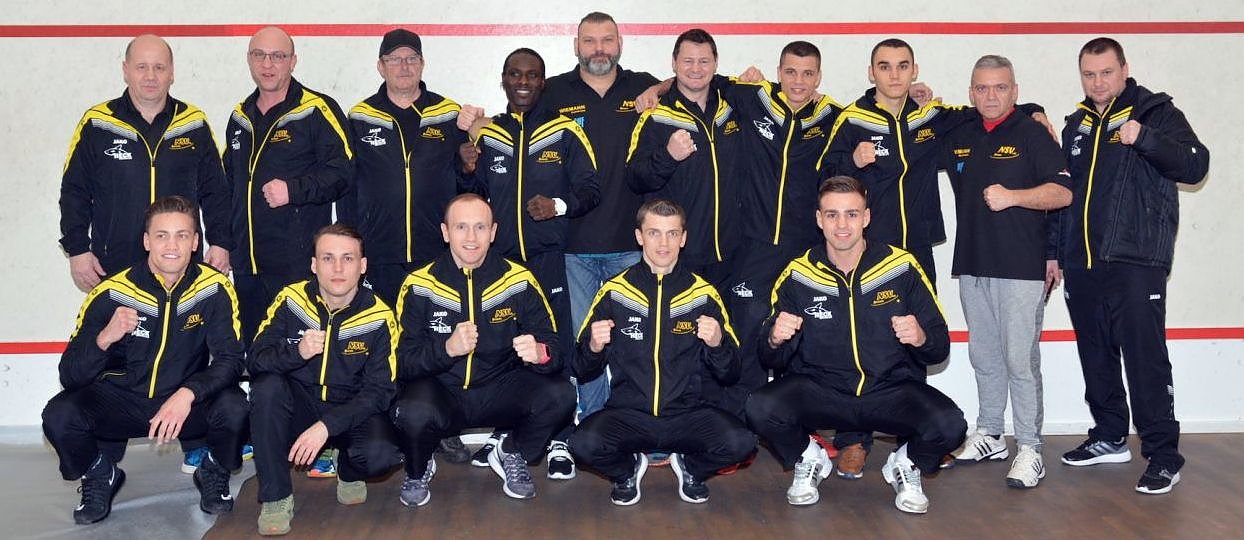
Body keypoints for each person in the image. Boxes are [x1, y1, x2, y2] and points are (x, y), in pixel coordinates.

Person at [818, 38, 1046, 478]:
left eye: (902, 66)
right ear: (871, 73)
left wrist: (1033, 110)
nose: (894, 74)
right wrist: (851, 160)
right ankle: (853, 440)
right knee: (857, 344)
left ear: (914, 70)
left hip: (916, 250)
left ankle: (917, 438)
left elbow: (987, 111)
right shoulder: (852, 120)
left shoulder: (932, 117)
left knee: (916, 340)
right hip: (867, 252)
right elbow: (823, 176)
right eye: (885, 66)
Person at [745, 176, 965, 514]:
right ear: (819, 220)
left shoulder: (901, 267)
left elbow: (939, 348)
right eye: (832, 215)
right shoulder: (798, 274)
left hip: (889, 389)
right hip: (822, 390)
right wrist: (775, 338)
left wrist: (921, 337)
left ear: (866, 217)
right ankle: (808, 457)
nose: (842, 225)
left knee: (951, 426)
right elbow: (769, 357)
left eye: (851, 214)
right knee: (759, 408)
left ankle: (907, 464)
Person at [1053, 37, 1208, 495]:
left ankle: (1163, 456)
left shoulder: (1156, 112)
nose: (1098, 82)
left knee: (1145, 361)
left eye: (1106, 72)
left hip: (1137, 261)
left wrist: (1146, 138)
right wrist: (1055, 253)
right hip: (1082, 262)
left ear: (1124, 70)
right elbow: (1065, 195)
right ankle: (1109, 436)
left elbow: (1195, 165)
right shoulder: (1077, 125)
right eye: (1089, 74)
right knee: (1096, 356)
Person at [42, 196, 249, 524]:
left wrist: (188, 394)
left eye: (182, 235)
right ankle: (100, 473)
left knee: (236, 408)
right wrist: (105, 337)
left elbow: (231, 360)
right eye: (162, 235)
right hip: (124, 402)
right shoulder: (111, 292)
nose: (172, 246)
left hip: (184, 405)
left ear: (195, 242)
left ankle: (212, 469)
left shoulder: (214, 288)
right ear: (146, 241)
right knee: (59, 414)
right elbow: (70, 374)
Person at [457, 48, 600, 478]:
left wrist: (558, 205)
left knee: (554, 348)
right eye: (515, 74)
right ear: (503, 79)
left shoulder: (564, 132)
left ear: (543, 82)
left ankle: (560, 438)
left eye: (532, 75)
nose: (523, 82)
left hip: (548, 260)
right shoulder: (491, 135)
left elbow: (590, 190)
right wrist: (466, 170)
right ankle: (507, 432)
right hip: (501, 265)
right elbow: (473, 196)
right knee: (503, 349)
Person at [938, 55, 1072, 489]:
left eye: (1000, 87)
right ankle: (991, 433)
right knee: (985, 356)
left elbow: (1063, 192)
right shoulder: (961, 133)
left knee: (1020, 360)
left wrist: (1014, 196)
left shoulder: (1032, 133)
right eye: (982, 88)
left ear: (1014, 91)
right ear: (971, 92)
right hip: (973, 264)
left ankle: (1030, 447)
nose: (991, 96)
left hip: (1020, 267)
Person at [390, 194, 576, 504]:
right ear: (445, 232)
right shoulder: (419, 284)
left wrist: (540, 353)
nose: (471, 237)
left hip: (498, 389)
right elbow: (400, 362)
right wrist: (446, 350)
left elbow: (555, 348)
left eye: (480, 227)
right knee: (410, 411)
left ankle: (511, 451)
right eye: (461, 227)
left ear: (493, 232)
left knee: (562, 395)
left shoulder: (519, 279)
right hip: (442, 391)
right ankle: (419, 465)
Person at [569, 199, 755, 505]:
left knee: (742, 442)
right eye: (654, 233)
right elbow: (580, 367)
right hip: (629, 414)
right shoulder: (615, 291)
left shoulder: (703, 294)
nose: (663, 243)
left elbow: (731, 373)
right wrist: (593, 347)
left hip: (687, 415)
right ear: (639, 237)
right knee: (582, 444)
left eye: (672, 233)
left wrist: (717, 344)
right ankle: (627, 471)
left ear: (683, 238)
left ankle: (690, 468)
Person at [343, 28, 473, 464]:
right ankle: (390, 428)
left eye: (411, 58)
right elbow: (348, 187)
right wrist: (354, 244)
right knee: (385, 346)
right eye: (395, 59)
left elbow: (470, 180)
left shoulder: (448, 115)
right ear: (380, 66)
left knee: (441, 342)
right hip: (380, 255)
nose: (404, 66)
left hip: (436, 256)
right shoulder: (360, 117)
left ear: (422, 64)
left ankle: (445, 427)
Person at [542, 10, 661, 461]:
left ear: (619, 44)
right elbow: (516, 123)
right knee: (585, 343)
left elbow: (690, 82)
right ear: (576, 46)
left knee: (636, 344)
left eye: (607, 40)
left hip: (631, 247)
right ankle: (593, 428)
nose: (598, 49)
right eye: (589, 40)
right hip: (574, 248)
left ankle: (636, 425)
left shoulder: (641, 86)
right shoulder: (554, 92)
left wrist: (662, 87)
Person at [248, 224, 400, 536]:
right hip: (299, 406)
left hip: (349, 412)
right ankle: (276, 498)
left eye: (348, 258)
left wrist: (327, 427)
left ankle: (347, 468)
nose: (338, 268)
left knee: (380, 456)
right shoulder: (291, 299)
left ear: (363, 265)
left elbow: (380, 391)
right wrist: (297, 353)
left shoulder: (380, 316)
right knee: (266, 388)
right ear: (314, 264)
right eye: (328, 258)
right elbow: (256, 359)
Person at [59, 34, 231, 293]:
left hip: (180, 264)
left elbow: (216, 192)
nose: (151, 76)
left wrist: (221, 242)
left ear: (171, 73)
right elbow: (74, 192)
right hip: (114, 265)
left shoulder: (193, 123)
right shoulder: (97, 123)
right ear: (126, 70)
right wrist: (77, 249)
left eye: (159, 67)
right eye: (142, 67)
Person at [224, 26, 353, 345]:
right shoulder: (239, 117)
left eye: (278, 56)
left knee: (300, 354)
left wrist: (293, 190)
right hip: (247, 266)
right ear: (249, 60)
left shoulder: (316, 110)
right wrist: (223, 243)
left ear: (293, 61)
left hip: (297, 266)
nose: (268, 64)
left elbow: (344, 172)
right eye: (260, 55)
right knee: (255, 352)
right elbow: (228, 188)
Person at [626, 29, 744, 288]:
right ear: (674, 63)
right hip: (680, 255)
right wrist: (668, 156)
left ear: (715, 63)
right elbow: (635, 178)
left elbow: (790, 92)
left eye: (704, 61)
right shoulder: (655, 115)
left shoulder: (732, 104)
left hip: (732, 254)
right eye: (688, 61)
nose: (696, 69)